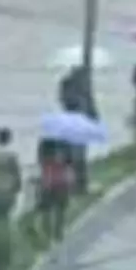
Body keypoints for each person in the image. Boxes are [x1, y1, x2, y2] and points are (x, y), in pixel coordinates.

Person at [57, 65, 95, 195]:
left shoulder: (75, 86)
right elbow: (86, 104)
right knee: (73, 157)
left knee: (77, 156)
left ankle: (78, 185)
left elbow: (90, 105)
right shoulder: (74, 87)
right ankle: (74, 186)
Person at [36, 139, 74, 242]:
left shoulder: (44, 142)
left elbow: (40, 161)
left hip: (48, 180)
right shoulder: (65, 143)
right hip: (61, 180)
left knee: (46, 210)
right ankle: (58, 234)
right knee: (60, 210)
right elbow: (70, 161)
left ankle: (48, 236)